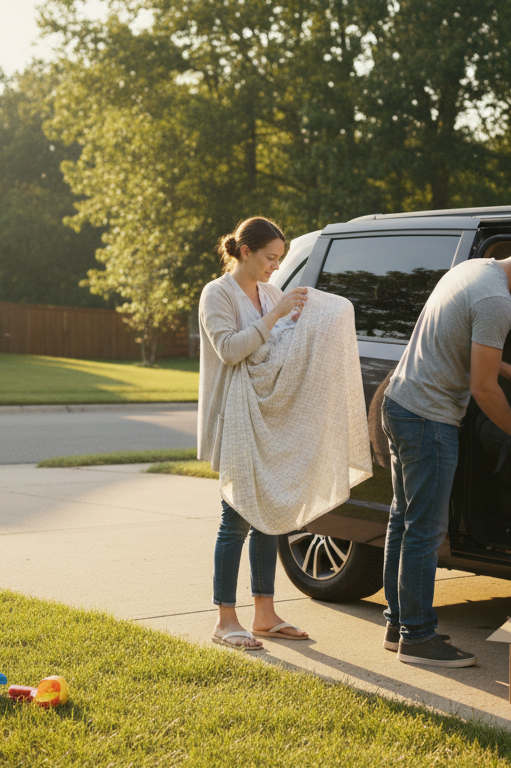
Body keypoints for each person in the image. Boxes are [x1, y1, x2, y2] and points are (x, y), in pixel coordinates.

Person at [382, 223, 511, 667]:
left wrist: (507, 368)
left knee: (403, 520)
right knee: (426, 529)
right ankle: (418, 639)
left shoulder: (476, 269)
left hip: (400, 403)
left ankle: (399, 624)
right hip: (428, 418)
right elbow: (483, 389)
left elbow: (458, 342)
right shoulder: (498, 302)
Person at [198, 215, 311, 650]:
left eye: (279, 260)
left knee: (269, 518)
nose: (275, 268)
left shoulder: (271, 292)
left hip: (269, 416)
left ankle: (265, 613)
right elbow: (229, 350)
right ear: (245, 252)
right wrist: (278, 315)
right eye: (269, 258)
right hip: (234, 418)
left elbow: (280, 346)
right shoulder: (217, 293)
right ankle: (225, 619)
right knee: (236, 519)